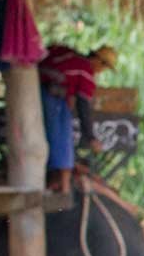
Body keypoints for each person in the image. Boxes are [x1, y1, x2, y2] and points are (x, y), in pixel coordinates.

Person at [38, 44, 116, 193]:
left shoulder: (75, 60)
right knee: (60, 140)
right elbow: (83, 106)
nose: (101, 71)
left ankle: (59, 182)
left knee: (57, 137)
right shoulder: (85, 70)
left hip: (48, 91)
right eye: (104, 68)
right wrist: (91, 137)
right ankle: (61, 186)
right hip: (50, 95)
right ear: (99, 61)